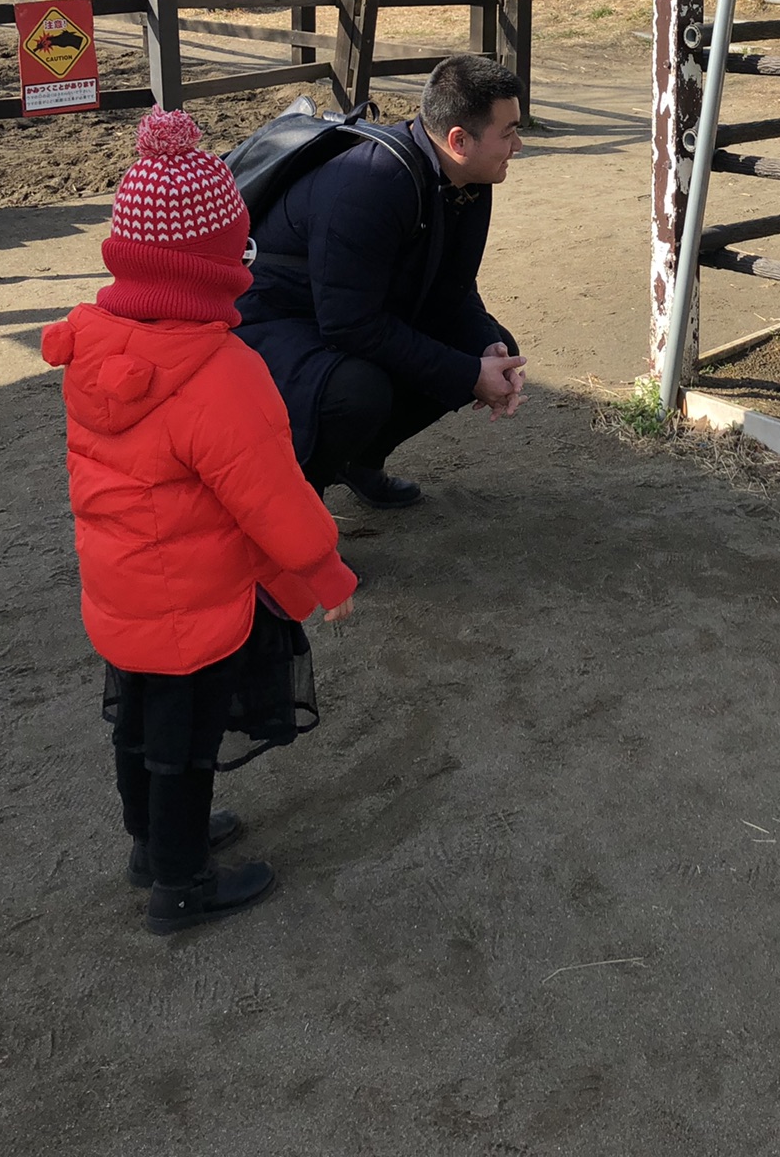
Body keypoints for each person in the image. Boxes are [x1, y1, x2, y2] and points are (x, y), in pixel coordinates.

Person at [42, 108, 358, 935]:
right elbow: (272, 495)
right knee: (184, 744)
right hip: (196, 602)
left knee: (139, 724)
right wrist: (325, 570)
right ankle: (179, 887)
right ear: (221, 260)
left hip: (121, 591)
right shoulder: (222, 370)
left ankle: (151, 845)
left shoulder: (92, 344)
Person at [236, 52, 526, 507]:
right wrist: (467, 373)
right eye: (508, 133)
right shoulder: (370, 181)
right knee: (356, 391)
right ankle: (287, 513)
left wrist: (484, 344)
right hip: (270, 321)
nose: (518, 146)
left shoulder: (471, 177)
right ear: (459, 140)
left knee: (490, 348)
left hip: (340, 310)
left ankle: (359, 460)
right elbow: (349, 325)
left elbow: (453, 287)